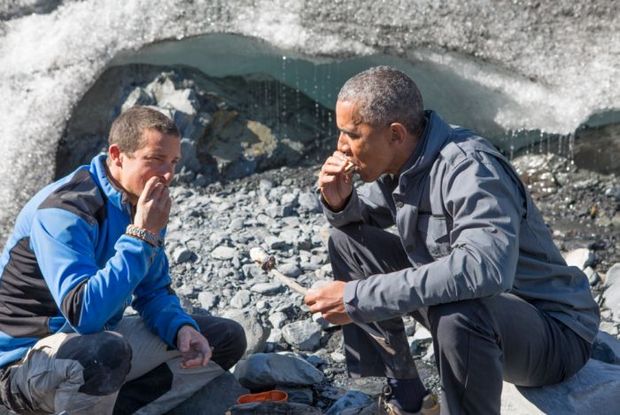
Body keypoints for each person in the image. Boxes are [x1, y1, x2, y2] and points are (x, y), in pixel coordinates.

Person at [305, 66, 599, 415]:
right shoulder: (407, 160)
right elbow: (366, 220)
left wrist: (359, 298)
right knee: (347, 239)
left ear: (395, 134)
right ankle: (407, 397)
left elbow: (486, 270)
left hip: (553, 334)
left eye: (351, 134)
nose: (341, 146)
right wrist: (339, 204)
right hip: (481, 318)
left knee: (460, 309)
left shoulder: (471, 168)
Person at [0, 106, 246, 414]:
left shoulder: (142, 201)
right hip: (23, 364)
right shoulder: (64, 211)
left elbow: (153, 290)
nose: (168, 175)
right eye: (156, 160)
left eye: (173, 162)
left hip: (90, 344)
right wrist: (141, 235)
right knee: (105, 354)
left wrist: (180, 327)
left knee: (223, 339)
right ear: (117, 155)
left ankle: (113, 407)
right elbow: (84, 313)